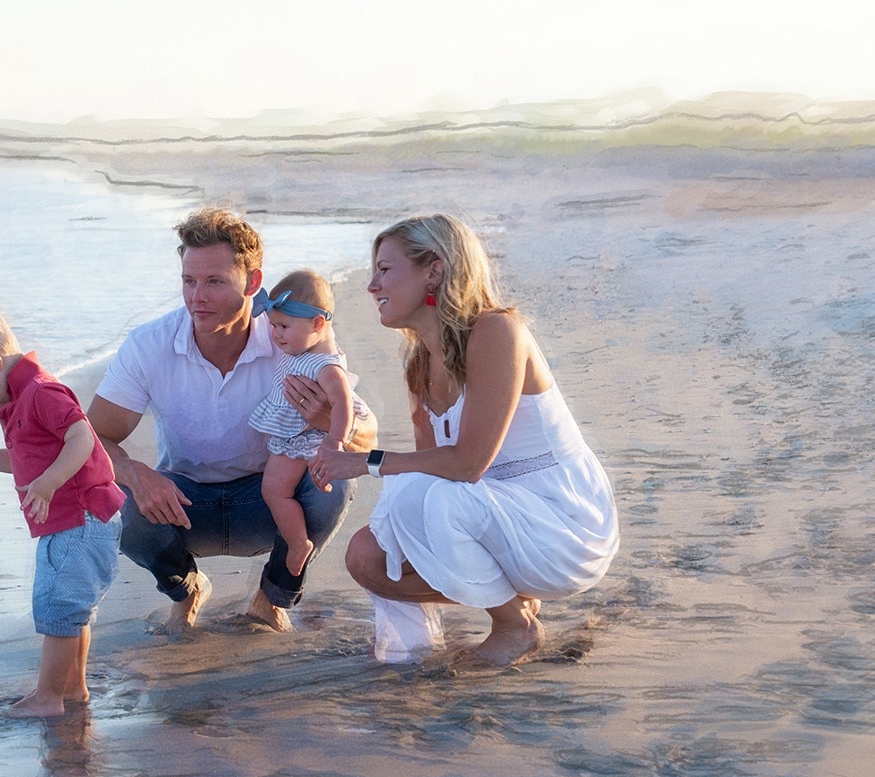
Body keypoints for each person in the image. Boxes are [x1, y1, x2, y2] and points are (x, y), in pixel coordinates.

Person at [310, 214, 619, 666]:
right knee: (368, 556)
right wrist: (348, 442)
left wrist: (365, 460)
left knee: (424, 496)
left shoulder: (497, 332)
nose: (372, 285)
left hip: (563, 524)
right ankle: (416, 647)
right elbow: (426, 471)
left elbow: (467, 464)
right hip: (498, 515)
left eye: (385, 269)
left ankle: (516, 626)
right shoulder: (420, 362)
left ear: (434, 270)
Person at [86, 208, 377, 634]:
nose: (196, 297)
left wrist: (331, 418)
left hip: (270, 500)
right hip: (182, 505)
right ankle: (185, 591)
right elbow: (90, 440)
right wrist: (134, 471)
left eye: (215, 281)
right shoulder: (150, 345)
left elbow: (366, 433)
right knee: (114, 496)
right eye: (189, 280)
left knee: (332, 484)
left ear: (253, 282)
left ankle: (270, 600)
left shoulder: (290, 338)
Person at [0, 305, 124, 718]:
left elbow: (82, 439)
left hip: (79, 519)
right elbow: (26, 461)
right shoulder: (18, 400)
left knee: (58, 609)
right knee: (72, 611)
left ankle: (48, 697)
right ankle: (72, 688)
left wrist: (51, 482)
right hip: (77, 521)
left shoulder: (41, 391)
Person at [247, 270, 356, 576]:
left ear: (318, 324)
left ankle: (298, 544)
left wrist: (334, 441)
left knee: (274, 490)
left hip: (302, 440)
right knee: (277, 490)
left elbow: (343, 404)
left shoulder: (326, 365)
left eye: (284, 326)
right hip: (295, 436)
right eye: (273, 326)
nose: (276, 334)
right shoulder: (303, 351)